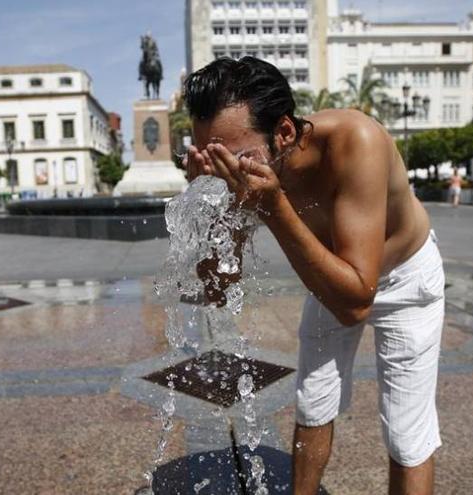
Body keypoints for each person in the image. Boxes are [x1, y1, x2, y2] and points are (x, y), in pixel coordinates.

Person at [183, 57, 444, 495]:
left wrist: (272, 206)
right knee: (313, 401)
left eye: (237, 156)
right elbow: (216, 289)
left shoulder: (356, 141)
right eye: (214, 156)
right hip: (331, 273)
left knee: (406, 431)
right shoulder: (244, 169)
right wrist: (210, 207)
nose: (227, 169)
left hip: (404, 277)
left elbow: (356, 302)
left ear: (284, 133)